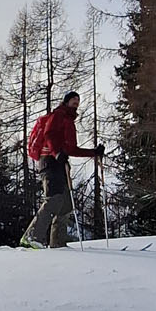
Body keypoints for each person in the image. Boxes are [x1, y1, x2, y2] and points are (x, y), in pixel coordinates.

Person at [21, 90, 103, 249]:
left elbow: (72, 149)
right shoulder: (58, 115)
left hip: (60, 162)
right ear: (65, 101)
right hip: (50, 161)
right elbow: (49, 134)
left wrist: (94, 152)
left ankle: (57, 243)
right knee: (54, 198)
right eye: (73, 99)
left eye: (78, 100)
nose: (76, 102)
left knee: (66, 203)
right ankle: (32, 236)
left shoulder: (69, 121)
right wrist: (56, 153)